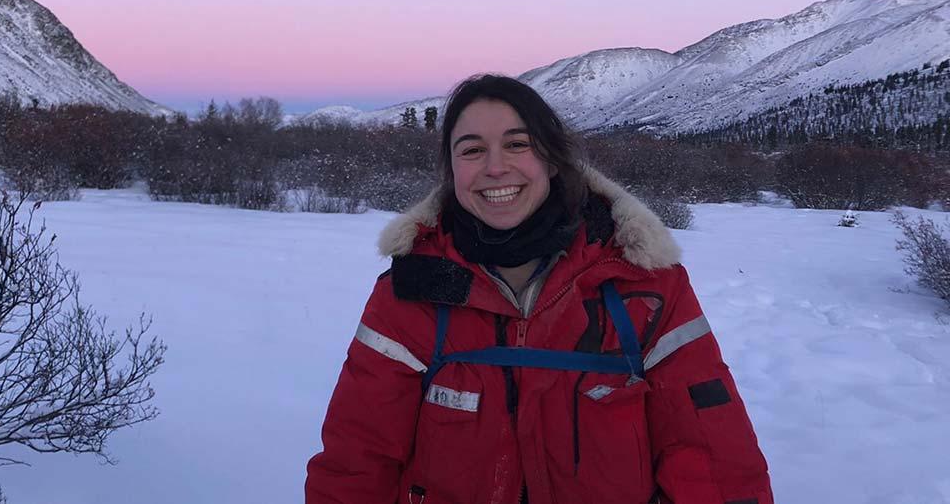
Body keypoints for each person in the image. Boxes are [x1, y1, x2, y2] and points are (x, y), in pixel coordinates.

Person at [305, 75, 773, 504]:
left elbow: (712, 456)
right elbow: (356, 462)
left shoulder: (643, 284)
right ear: (451, 171)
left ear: (550, 159)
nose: (495, 167)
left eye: (517, 144)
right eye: (471, 150)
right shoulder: (411, 292)